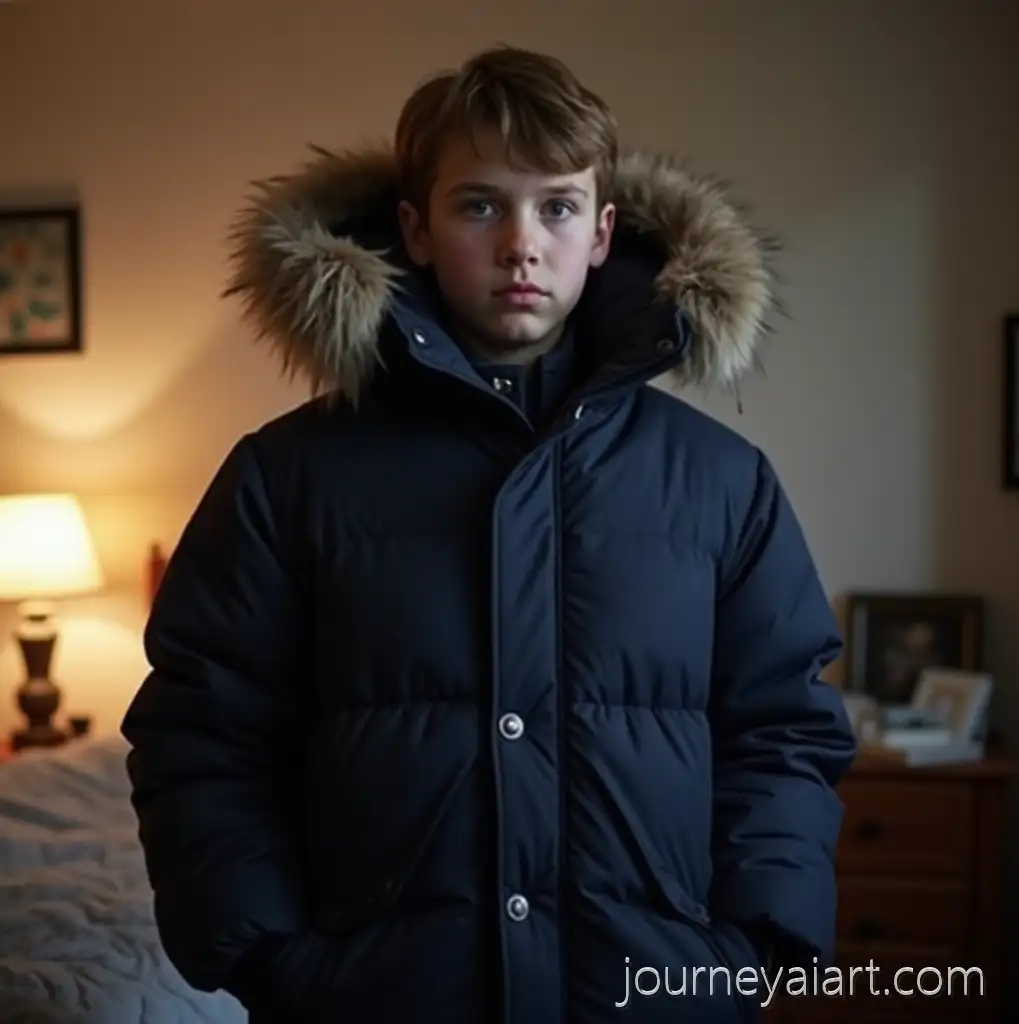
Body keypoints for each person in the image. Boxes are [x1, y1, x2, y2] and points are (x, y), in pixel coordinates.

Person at [121, 44, 857, 1023]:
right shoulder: (287, 476)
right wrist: (274, 960)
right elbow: (202, 735)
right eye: (480, 206)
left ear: (601, 234)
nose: (521, 243)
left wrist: (744, 951)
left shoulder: (722, 484)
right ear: (415, 230)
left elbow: (783, 736)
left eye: (554, 207)